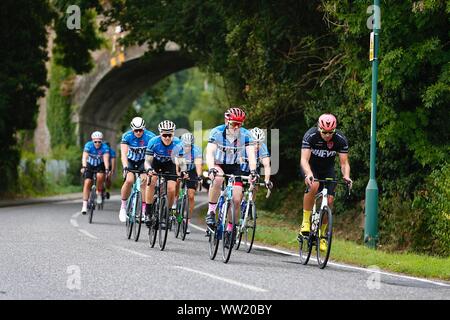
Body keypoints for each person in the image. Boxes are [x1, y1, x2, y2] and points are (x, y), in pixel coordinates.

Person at [299, 113, 352, 251]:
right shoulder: (311, 136)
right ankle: (305, 221)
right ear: (319, 128)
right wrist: (309, 174)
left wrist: (346, 176)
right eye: (324, 132)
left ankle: (322, 235)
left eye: (330, 132)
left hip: (328, 169)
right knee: (314, 184)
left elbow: (344, 163)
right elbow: (304, 160)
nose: (327, 135)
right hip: (311, 167)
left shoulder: (340, 139)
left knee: (329, 201)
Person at [205, 107, 258, 233]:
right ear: (226, 121)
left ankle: (230, 228)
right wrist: (211, 167)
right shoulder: (216, 132)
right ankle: (211, 212)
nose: (236, 127)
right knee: (218, 179)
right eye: (234, 123)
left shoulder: (246, 135)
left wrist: (253, 171)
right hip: (218, 164)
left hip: (235, 166)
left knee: (237, 199)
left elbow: (251, 155)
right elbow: (210, 153)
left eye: (239, 124)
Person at [144, 120, 182, 227]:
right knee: (152, 181)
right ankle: (148, 212)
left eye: (169, 135)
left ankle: (168, 212)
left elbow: (181, 159)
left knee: (171, 189)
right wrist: (149, 170)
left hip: (170, 164)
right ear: (160, 133)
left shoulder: (178, 143)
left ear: (173, 134)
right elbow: (147, 161)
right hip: (156, 163)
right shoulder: (153, 142)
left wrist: (183, 171)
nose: (167, 138)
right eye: (164, 135)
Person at [119, 117, 156, 222]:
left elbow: (153, 154)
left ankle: (144, 210)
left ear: (144, 129)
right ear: (132, 129)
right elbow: (124, 154)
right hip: (130, 161)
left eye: (141, 130)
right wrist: (125, 167)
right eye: (136, 130)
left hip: (143, 162)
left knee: (144, 182)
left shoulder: (150, 136)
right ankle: (123, 206)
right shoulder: (127, 136)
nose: (139, 132)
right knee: (129, 180)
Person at [173, 132, 203, 234]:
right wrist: (180, 175)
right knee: (177, 180)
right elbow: (178, 168)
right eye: (185, 145)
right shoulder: (178, 149)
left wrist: (199, 176)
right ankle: (175, 200)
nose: (187, 148)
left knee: (191, 196)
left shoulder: (197, 150)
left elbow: (198, 166)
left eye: (189, 145)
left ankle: (187, 222)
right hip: (180, 167)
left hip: (192, 170)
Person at [80, 131, 110, 214]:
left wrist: (107, 169)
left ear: (102, 141)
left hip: (100, 165)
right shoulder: (88, 145)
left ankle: (99, 192)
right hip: (90, 164)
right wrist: (84, 166)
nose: (97, 143)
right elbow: (84, 157)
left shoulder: (105, 147)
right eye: (95, 142)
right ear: (92, 141)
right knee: (87, 182)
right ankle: (84, 205)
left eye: (99, 142)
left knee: (100, 176)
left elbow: (106, 159)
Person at [240, 127, 273, 195]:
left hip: (254, 170)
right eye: (254, 143)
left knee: (255, 187)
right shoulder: (243, 145)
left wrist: (267, 180)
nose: (257, 146)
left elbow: (267, 165)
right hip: (241, 169)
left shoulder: (263, 147)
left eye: (259, 143)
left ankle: (251, 203)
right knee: (239, 192)